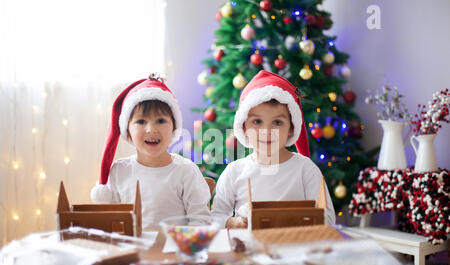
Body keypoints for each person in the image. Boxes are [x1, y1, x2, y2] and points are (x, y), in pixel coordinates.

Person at [211, 70, 336, 228]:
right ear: (243, 127)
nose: (267, 131)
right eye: (257, 121)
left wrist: (296, 221)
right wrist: (233, 222)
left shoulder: (305, 169)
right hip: (247, 247)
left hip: (294, 247)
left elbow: (328, 217)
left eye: (277, 122)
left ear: (291, 128)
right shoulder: (234, 171)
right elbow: (216, 216)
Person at [90, 74, 211, 228]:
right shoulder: (119, 171)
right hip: (133, 248)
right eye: (141, 121)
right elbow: (112, 222)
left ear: (174, 127)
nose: (151, 129)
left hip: (174, 249)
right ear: (127, 131)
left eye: (160, 121)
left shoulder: (186, 171)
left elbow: (201, 221)